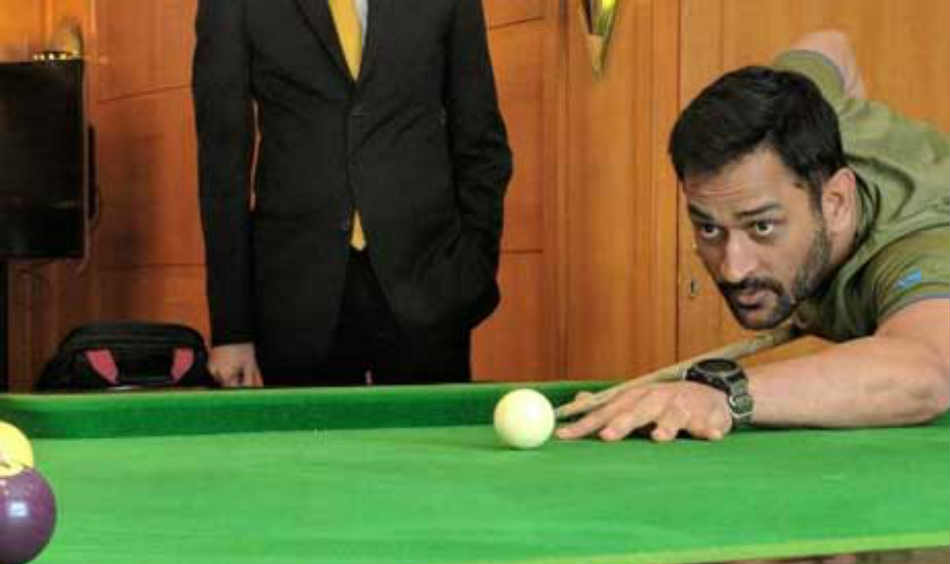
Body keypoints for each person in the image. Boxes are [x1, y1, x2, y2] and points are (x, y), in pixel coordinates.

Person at [557, 30, 949, 442]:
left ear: (835, 203)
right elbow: (829, 43)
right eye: (709, 228)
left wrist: (726, 396)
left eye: (762, 226)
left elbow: (925, 377)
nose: (733, 269)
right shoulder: (799, 115)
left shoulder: (920, 249)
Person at [192, 0, 512, 387]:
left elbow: (481, 142)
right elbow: (222, 168)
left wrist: (472, 268)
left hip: (430, 285)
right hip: (294, 299)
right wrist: (231, 330)